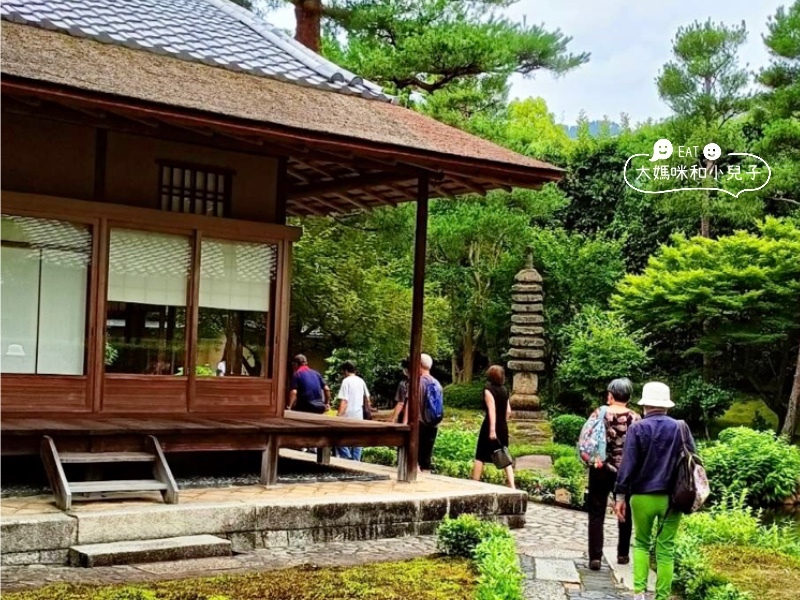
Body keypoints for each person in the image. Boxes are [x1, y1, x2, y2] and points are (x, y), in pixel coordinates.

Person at [613, 381, 696, 600]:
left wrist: (620, 496)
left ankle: (639, 594)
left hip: (641, 497)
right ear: (667, 406)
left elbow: (627, 465)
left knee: (641, 544)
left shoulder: (638, 428)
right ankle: (662, 596)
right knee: (665, 549)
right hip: (673, 500)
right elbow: (693, 462)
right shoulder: (680, 427)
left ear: (645, 405)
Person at [586, 377, 640, 571]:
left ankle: (595, 557)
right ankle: (623, 554)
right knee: (625, 510)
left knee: (596, 512)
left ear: (611, 394)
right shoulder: (635, 417)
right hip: (626, 470)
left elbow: (588, 438)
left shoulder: (600, 413)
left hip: (601, 467)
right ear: (628, 396)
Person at [394, 353, 442, 472]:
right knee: (426, 458)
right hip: (433, 424)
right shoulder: (437, 383)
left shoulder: (417, 382)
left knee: (413, 458)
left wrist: (405, 423)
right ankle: (426, 482)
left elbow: (409, 403)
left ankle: (413, 483)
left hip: (418, 424)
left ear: (418, 364)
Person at [471, 365, 514, 488]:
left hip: (490, 425)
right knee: (504, 454)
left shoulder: (488, 389)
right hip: (502, 425)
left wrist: (492, 429)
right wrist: (503, 423)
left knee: (480, 455)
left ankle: (474, 484)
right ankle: (512, 485)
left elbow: (492, 410)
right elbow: (509, 411)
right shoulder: (504, 390)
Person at [335, 361, 370, 461]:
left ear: (345, 371)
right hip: (358, 415)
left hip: (347, 415)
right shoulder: (361, 381)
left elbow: (344, 401)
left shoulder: (346, 381)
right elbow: (367, 398)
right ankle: (356, 461)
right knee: (357, 439)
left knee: (339, 438)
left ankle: (346, 456)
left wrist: (338, 415)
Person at [391, 358, 410, 424]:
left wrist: (393, 420)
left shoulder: (403, 384)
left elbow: (401, 403)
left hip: (406, 417)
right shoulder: (427, 382)